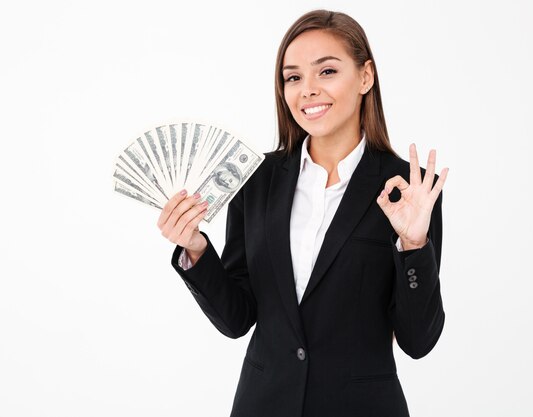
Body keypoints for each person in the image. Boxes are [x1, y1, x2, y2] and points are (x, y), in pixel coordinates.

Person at [157, 9, 449, 417]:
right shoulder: (254, 178)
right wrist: (196, 250)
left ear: (366, 76)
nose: (307, 90)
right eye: (293, 77)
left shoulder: (407, 188)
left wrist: (414, 244)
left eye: (326, 71)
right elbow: (238, 318)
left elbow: (418, 341)